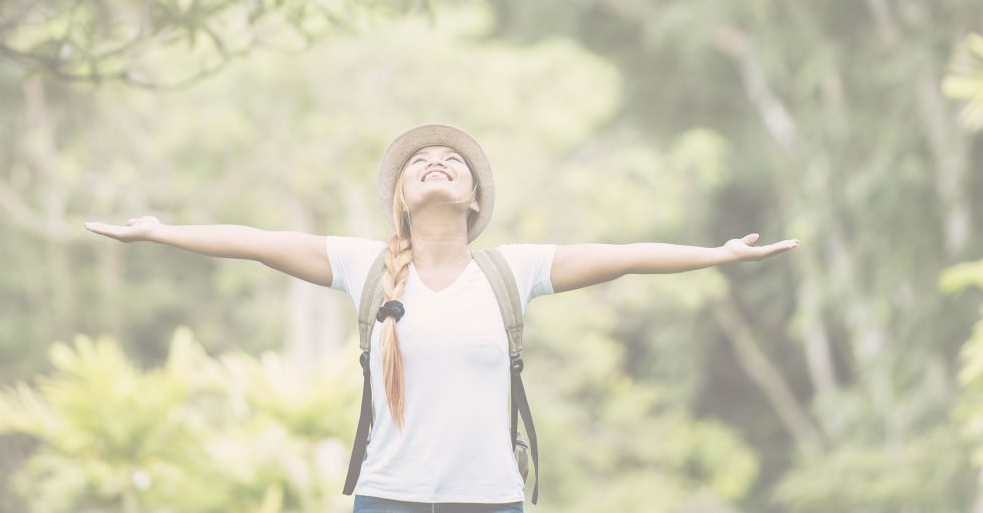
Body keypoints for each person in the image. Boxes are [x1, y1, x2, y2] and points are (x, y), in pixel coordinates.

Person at [85, 122, 799, 512]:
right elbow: (256, 242)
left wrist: (715, 254)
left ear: (474, 201)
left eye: (451, 161)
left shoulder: (510, 272)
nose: (435, 162)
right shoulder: (362, 264)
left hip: (489, 503)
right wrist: (161, 231)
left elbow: (623, 255)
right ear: (400, 196)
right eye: (419, 160)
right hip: (387, 501)